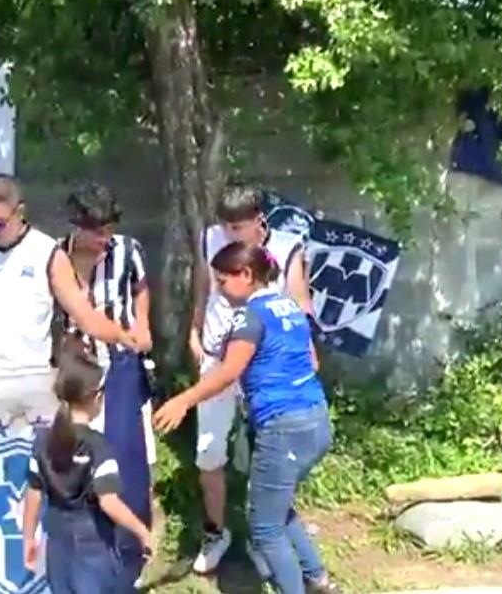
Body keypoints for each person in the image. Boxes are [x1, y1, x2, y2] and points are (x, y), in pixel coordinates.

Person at [153, 242, 338, 594]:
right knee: (278, 508)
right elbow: (312, 363)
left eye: (223, 281)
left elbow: (228, 373)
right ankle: (318, 579)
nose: (219, 291)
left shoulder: (249, 316)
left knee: (265, 527)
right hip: (315, 419)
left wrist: (184, 401)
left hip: (284, 427)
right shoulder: (288, 306)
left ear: (247, 275)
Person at [186, 184, 314, 574]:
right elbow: (203, 290)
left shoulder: (288, 247)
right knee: (209, 452)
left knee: (266, 455)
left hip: (263, 367)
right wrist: (194, 335)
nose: (230, 234)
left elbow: (300, 305)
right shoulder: (212, 239)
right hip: (216, 359)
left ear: (260, 220)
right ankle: (215, 532)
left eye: (238, 227)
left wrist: (305, 358)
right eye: (226, 226)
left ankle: (267, 535)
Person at [0, 173, 138, 380]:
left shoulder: (47, 254)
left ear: (20, 212)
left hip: (28, 379)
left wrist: (122, 336)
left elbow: (84, 316)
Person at [55, 182, 156, 585]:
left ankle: (132, 551)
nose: (104, 238)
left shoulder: (128, 249)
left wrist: (143, 322)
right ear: (76, 225)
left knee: (126, 455)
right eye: (96, 230)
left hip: (122, 361)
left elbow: (141, 286)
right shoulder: (58, 256)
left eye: (108, 229)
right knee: (81, 453)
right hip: (79, 363)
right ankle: (86, 544)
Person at [22, 348, 153, 594]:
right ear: (96, 397)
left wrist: (28, 537)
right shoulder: (99, 447)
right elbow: (109, 502)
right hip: (94, 548)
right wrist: (141, 531)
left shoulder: (42, 442)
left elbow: (33, 495)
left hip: (57, 548)